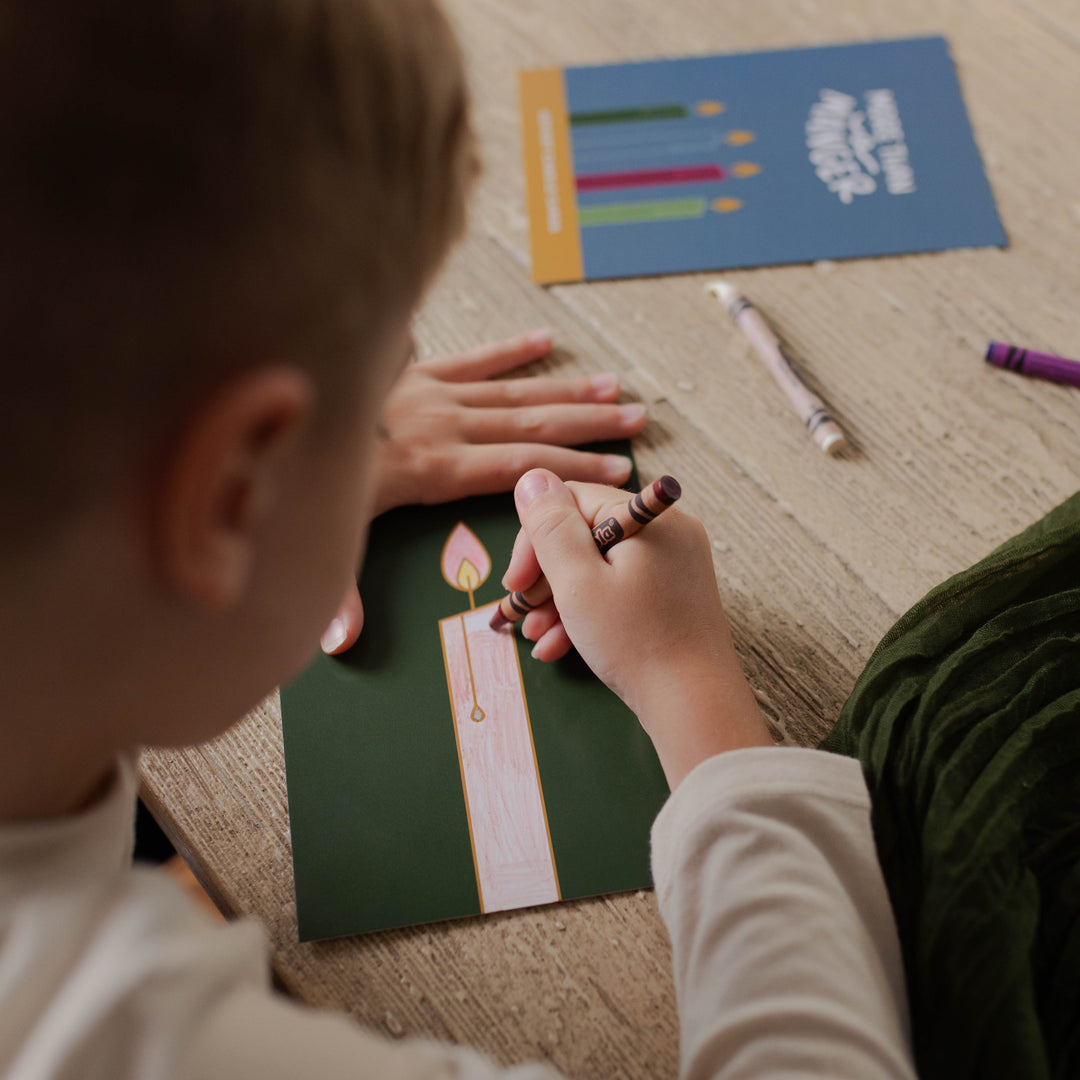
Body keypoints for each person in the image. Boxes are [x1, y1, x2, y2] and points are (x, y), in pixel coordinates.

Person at [0, 1, 917, 1077]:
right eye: (380, 395)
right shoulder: (122, 1043)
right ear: (227, 503)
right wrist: (692, 692)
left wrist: (316, 457)